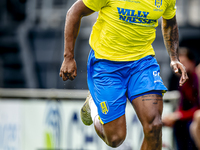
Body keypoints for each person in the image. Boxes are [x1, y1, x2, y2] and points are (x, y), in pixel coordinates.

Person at [59, 0, 188, 149]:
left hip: (142, 64)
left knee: (155, 126)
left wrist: (174, 58)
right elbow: (74, 12)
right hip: (106, 65)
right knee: (115, 138)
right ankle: (94, 106)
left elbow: (170, 22)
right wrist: (68, 57)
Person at [163, 47, 199, 150]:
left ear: (192, 62)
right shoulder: (183, 81)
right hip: (190, 116)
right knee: (177, 125)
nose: (179, 67)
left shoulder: (197, 78)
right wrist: (174, 116)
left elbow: (197, 107)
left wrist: (179, 116)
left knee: (188, 126)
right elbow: (182, 105)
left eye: (183, 63)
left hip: (195, 116)